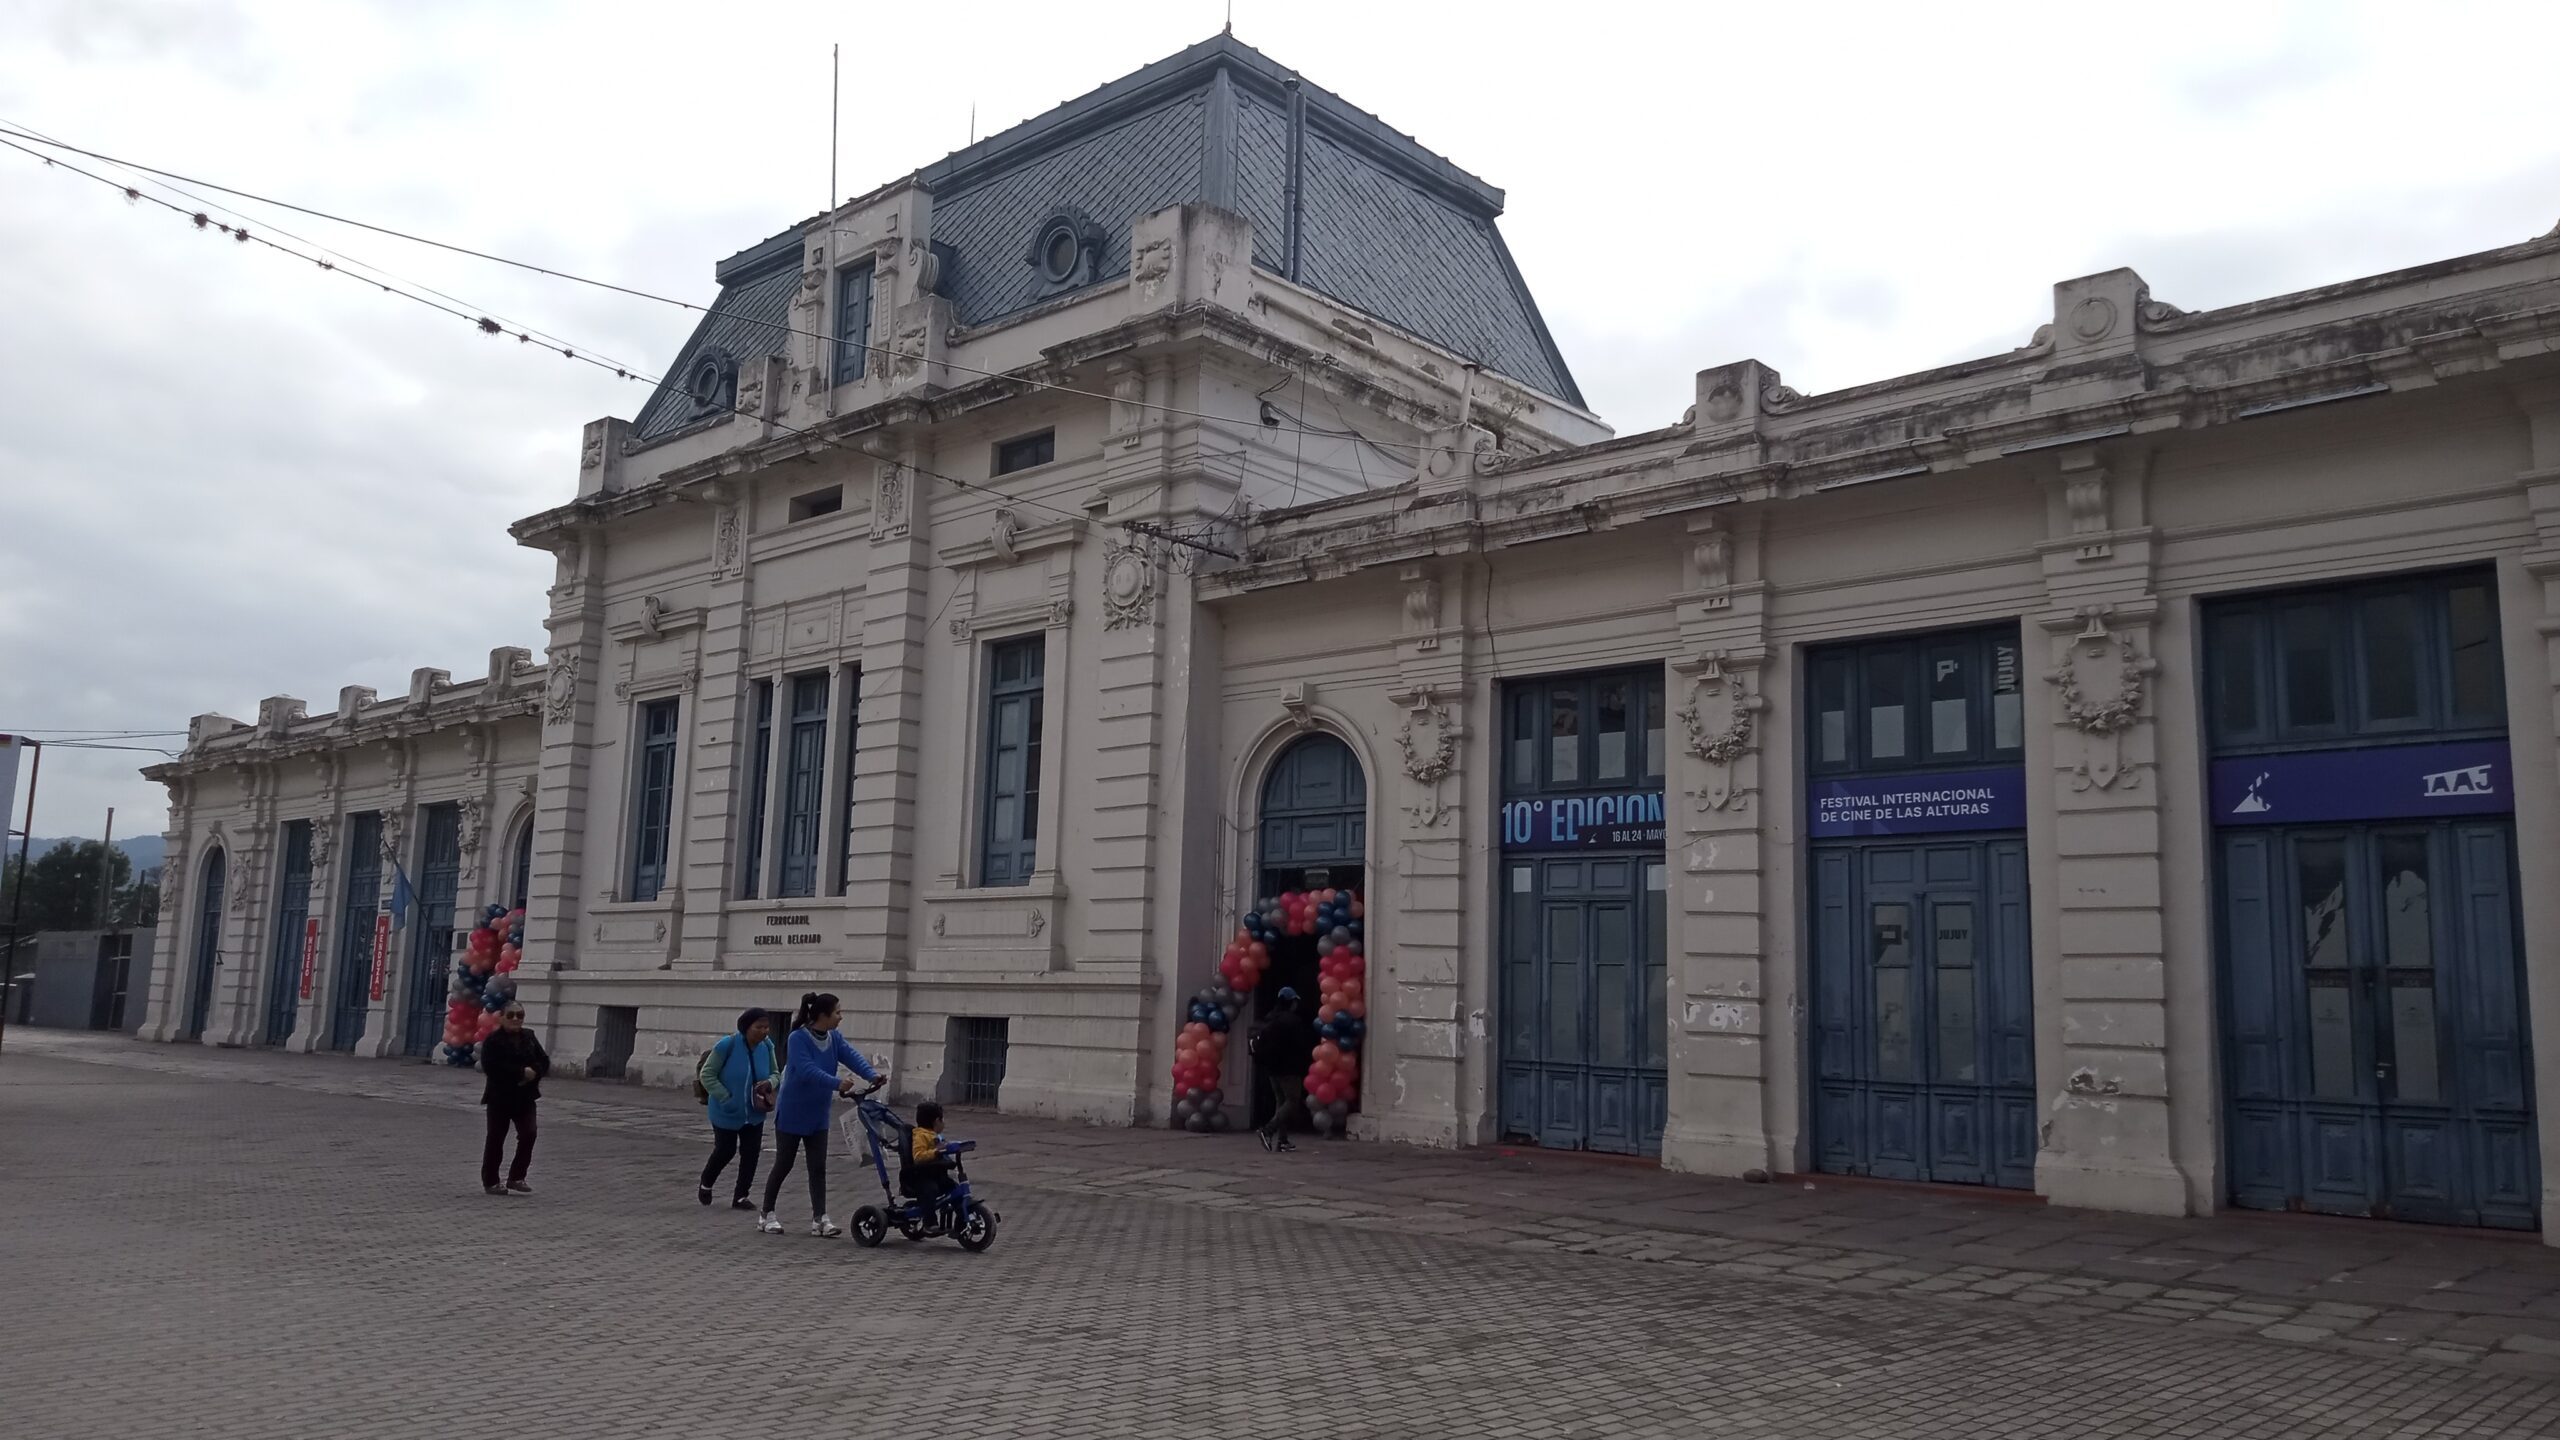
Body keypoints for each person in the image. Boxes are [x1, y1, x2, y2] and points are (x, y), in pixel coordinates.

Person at [759, 991, 885, 1237]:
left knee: (818, 1167)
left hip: (818, 1114)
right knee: (783, 1164)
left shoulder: (833, 1038)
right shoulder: (798, 1038)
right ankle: (766, 1214)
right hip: (793, 1112)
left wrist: (872, 1075)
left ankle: (820, 1219)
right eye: (837, 1012)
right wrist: (836, 1083)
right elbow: (806, 1070)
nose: (841, 1017)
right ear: (823, 1015)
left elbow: (852, 1056)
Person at [697, 1007, 778, 1210]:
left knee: (751, 1153)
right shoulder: (728, 1045)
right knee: (725, 1150)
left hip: (754, 1111)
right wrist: (725, 1097)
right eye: (758, 1027)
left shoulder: (767, 1046)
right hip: (726, 1110)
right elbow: (707, 1075)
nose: (764, 1031)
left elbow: (777, 1072)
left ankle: (741, 1196)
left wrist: (770, 1082)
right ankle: (706, 1183)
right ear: (746, 1028)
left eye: (767, 1027)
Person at [479, 1003, 549, 1195]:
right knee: (496, 1138)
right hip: (499, 1097)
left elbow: (543, 1060)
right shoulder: (493, 1040)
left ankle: (517, 1176)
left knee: (529, 1133)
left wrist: (535, 1071)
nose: (516, 1019)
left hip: (525, 1097)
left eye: (520, 1015)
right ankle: (491, 1181)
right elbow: (491, 1067)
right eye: (511, 1015)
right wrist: (520, 1072)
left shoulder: (529, 1036)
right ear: (501, 1017)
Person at [1252, 986, 1316, 1153]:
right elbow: (1301, 1044)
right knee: (1292, 1102)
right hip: (1289, 1069)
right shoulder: (1292, 1021)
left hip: (1272, 1068)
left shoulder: (1270, 1018)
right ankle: (1268, 1130)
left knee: (1281, 1102)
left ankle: (1283, 1140)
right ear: (1291, 1002)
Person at [906, 1099, 957, 1219]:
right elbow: (918, 1156)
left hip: (937, 1174)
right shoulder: (921, 1136)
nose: (943, 1123)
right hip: (922, 1176)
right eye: (942, 1120)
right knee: (930, 1191)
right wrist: (936, 1152)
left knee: (954, 1188)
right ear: (937, 1121)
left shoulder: (936, 1136)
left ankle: (962, 1219)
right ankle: (930, 1222)